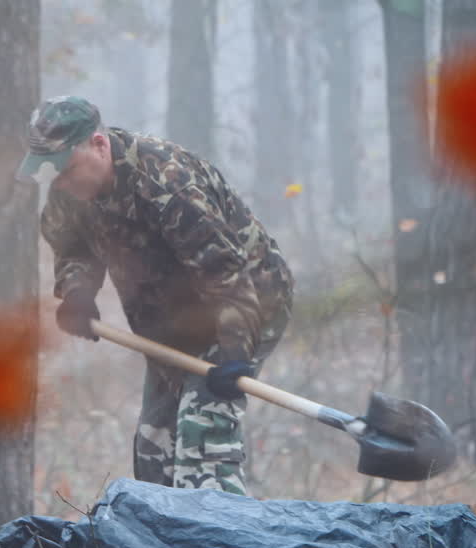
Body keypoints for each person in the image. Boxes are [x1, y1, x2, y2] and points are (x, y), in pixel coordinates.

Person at [17, 96, 293, 497]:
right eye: (53, 174)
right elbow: (71, 245)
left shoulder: (166, 182)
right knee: (154, 449)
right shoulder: (67, 189)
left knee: (204, 440)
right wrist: (78, 291)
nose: (62, 183)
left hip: (244, 302)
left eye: (68, 170)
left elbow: (226, 274)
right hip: (168, 321)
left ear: (98, 144)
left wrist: (235, 351)